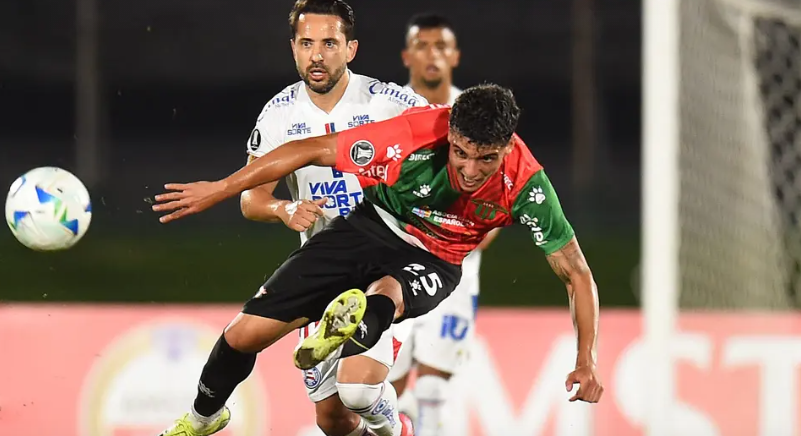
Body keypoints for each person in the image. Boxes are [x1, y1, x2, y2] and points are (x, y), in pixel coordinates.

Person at [153, 84, 605, 436]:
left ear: (506, 148)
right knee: (243, 337)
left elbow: (576, 273)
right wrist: (220, 187)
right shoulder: (414, 135)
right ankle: (201, 418)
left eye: (485, 159)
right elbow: (309, 149)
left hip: (435, 259)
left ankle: (367, 344)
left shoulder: (528, 186)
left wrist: (587, 359)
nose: (469, 171)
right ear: (450, 133)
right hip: (370, 227)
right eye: (461, 152)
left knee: (367, 349)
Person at [236, 1, 426, 435]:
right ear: (293, 49)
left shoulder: (391, 103)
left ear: (351, 48)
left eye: (328, 43)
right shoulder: (279, 114)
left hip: (386, 267)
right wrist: (283, 209)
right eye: (306, 43)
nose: (316, 55)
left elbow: (443, 153)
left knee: (358, 391)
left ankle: (395, 428)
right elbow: (251, 198)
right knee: (333, 419)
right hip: (322, 270)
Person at [388, 13, 499, 435]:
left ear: (455, 56)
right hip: (395, 265)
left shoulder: (479, 112)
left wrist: (479, 238)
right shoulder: (388, 110)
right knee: (389, 387)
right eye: (422, 45)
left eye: (441, 46)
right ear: (406, 55)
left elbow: (501, 185)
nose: (432, 54)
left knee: (434, 384)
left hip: (454, 270)